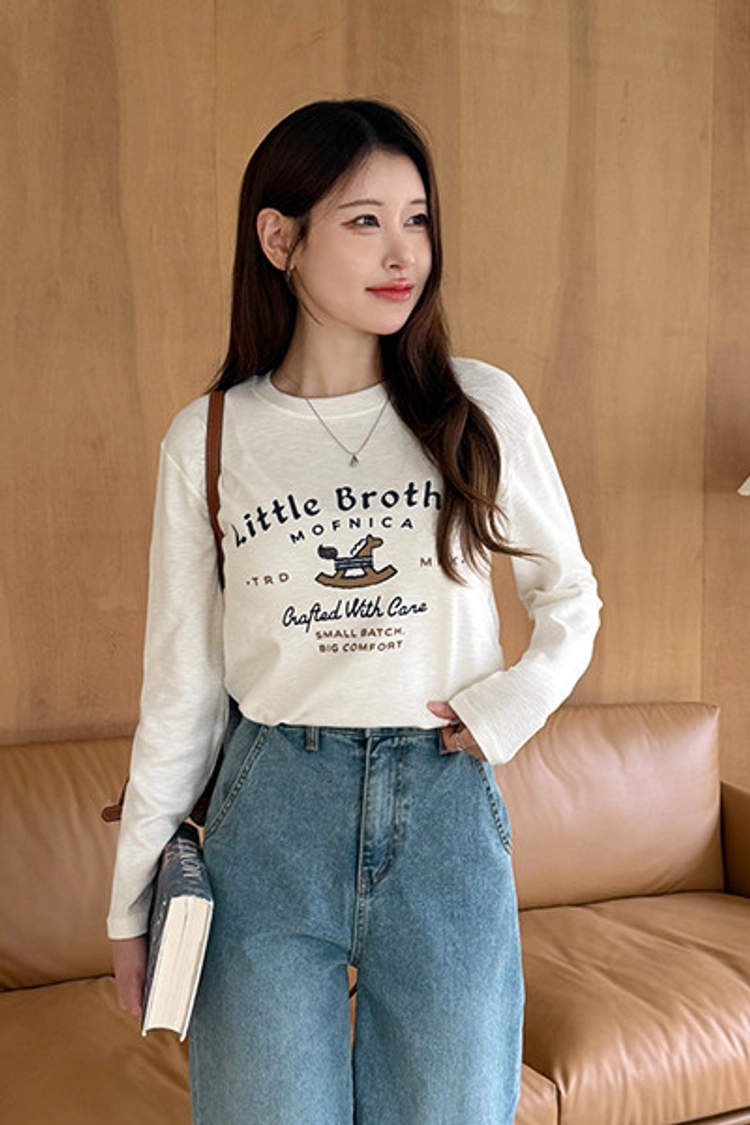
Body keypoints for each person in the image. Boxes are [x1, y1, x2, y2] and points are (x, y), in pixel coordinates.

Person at [108, 98, 601, 1125]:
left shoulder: (477, 406)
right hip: (269, 813)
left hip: (444, 810)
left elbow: (571, 598)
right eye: (365, 220)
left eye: (417, 219)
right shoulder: (212, 437)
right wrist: (128, 907)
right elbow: (182, 689)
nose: (402, 252)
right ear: (279, 238)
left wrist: (508, 708)